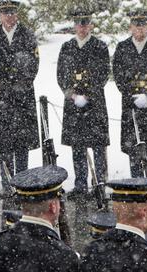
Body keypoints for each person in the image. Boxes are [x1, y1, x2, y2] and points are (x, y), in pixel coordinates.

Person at [0, 0, 40, 198]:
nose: (9, 16)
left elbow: (33, 64)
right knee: (4, 145)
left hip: (22, 98)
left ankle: (22, 185)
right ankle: (7, 186)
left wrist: (18, 84)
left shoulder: (27, 35)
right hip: (0, 99)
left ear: (17, 14)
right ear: (0, 15)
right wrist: (3, 87)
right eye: (5, 13)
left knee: (22, 144)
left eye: (12, 12)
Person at [56, 8, 110, 193]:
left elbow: (103, 74)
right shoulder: (67, 47)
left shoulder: (100, 47)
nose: (82, 27)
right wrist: (72, 94)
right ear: (74, 26)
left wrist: (87, 95)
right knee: (77, 146)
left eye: (85, 23)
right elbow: (61, 75)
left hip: (94, 103)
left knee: (98, 146)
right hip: (73, 104)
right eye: (79, 24)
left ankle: (99, 184)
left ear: (91, 25)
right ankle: (80, 184)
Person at [113, 10, 147, 178]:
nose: (140, 30)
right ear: (130, 27)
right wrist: (131, 96)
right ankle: (137, 187)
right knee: (134, 150)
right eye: (136, 27)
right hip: (132, 107)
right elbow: (118, 75)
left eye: (143, 26)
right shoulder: (122, 48)